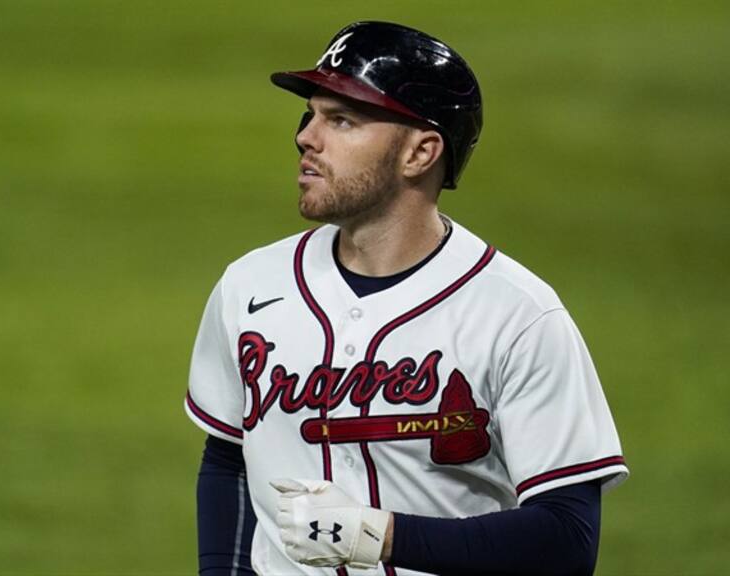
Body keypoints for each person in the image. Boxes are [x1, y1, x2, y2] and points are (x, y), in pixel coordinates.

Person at [185, 21, 628, 576]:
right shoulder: (251, 287)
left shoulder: (518, 317)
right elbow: (230, 458)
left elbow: (567, 538)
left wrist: (382, 536)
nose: (306, 137)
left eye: (341, 120)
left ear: (420, 153)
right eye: (311, 115)